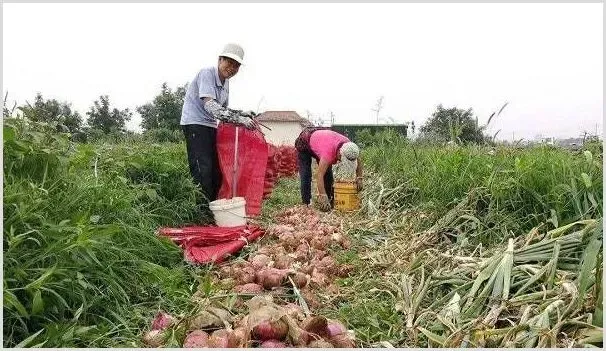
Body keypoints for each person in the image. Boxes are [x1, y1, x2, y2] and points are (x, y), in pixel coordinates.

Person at [180, 43, 257, 214]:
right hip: (195, 124)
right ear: (219, 59)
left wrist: (241, 113)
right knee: (203, 169)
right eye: (228, 62)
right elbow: (211, 106)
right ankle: (200, 212)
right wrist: (239, 119)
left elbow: (224, 110)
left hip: (210, 126)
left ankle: (213, 211)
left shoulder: (226, 83)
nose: (231, 68)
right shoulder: (207, 73)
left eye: (236, 66)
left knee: (216, 171)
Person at [294, 127, 363, 212]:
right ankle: (306, 203)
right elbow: (319, 175)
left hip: (322, 141)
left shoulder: (350, 147)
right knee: (306, 174)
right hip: (306, 141)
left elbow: (358, 160)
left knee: (328, 174)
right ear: (340, 154)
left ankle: (329, 200)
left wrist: (359, 177)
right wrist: (322, 195)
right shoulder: (328, 154)